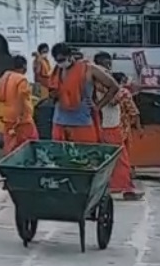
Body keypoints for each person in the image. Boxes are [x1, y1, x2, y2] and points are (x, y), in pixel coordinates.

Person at [94, 53, 140, 199]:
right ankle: (121, 187)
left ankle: (119, 186)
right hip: (110, 124)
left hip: (110, 124)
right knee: (120, 158)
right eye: (106, 64)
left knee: (117, 157)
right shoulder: (101, 80)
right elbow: (113, 101)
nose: (108, 67)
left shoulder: (98, 79)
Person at [50, 43, 115, 144]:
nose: (60, 63)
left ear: (70, 56)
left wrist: (98, 106)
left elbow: (114, 86)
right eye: (57, 61)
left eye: (62, 60)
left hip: (82, 122)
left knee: (86, 155)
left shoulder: (88, 69)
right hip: (59, 121)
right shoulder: (56, 71)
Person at [0, 54, 37, 155]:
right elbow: (22, 98)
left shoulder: (5, 77)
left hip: (7, 116)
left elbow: (1, 97)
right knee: (32, 141)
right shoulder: (21, 79)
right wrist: (20, 116)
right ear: (24, 66)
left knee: (10, 143)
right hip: (22, 118)